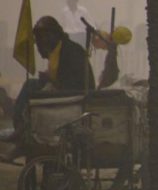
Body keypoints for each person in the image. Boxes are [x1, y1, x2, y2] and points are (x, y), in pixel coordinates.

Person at [1, 16, 95, 161]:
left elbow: (75, 81)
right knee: (31, 85)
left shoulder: (70, 50)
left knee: (31, 86)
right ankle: (20, 130)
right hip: (62, 90)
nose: (42, 40)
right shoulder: (57, 50)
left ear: (55, 34)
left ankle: (21, 134)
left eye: (45, 35)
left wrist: (51, 80)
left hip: (74, 94)